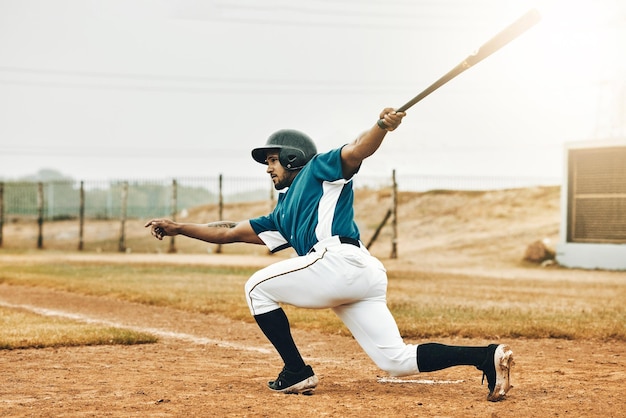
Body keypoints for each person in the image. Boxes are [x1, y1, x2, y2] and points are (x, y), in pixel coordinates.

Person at [145, 107, 514, 402]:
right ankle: (485, 355)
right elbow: (229, 232)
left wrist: (381, 127)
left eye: (272, 160)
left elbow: (357, 150)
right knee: (395, 360)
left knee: (257, 286)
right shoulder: (281, 213)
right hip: (359, 273)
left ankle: (296, 372)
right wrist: (179, 228)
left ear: (292, 157)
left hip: (338, 261)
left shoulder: (318, 169)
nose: (268, 168)